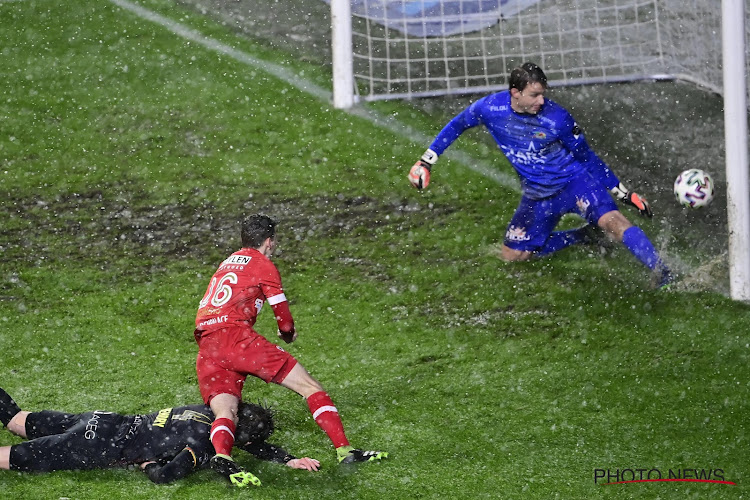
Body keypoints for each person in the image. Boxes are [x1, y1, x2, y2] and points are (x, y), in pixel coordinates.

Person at [408, 62, 674, 289]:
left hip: (576, 183)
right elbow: (457, 125)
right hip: (538, 195)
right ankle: (585, 237)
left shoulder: (557, 118)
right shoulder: (489, 109)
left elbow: (587, 157)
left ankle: (662, 272)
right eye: (534, 95)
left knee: (614, 223)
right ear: (515, 92)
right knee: (512, 257)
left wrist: (623, 193)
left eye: (542, 94)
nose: (541, 101)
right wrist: (427, 161)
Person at [194, 214, 387, 486]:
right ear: (269, 241)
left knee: (226, 411)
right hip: (235, 338)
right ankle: (346, 451)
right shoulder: (263, 265)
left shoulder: (226, 263)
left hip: (207, 344)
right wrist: (287, 333)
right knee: (310, 387)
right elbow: (283, 317)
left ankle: (223, 457)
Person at [0, 387, 319, 486]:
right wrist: (147, 465)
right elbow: (164, 476)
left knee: (15, 419)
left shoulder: (209, 411)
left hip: (101, 419)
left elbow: (247, 438)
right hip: (95, 445)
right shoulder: (205, 447)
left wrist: (288, 459)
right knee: (10, 459)